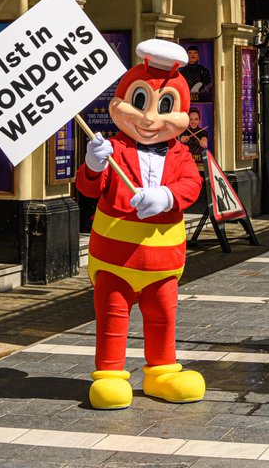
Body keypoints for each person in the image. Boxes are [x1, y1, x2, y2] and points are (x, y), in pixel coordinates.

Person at [75, 38, 205, 410]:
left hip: (163, 264)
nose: (149, 119)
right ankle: (111, 375)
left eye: (165, 106)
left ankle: (161, 372)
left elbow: (191, 185)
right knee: (112, 318)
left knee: (163, 317)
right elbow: (88, 188)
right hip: (115, 260)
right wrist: (95, 163)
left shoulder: (180, 153)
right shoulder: (114, 148)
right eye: (139, 102)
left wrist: (164, 198)